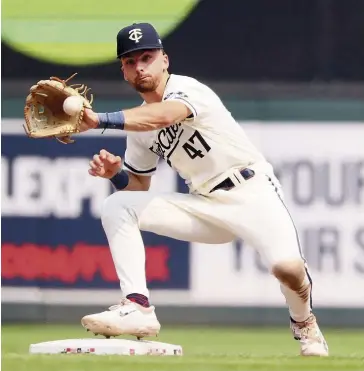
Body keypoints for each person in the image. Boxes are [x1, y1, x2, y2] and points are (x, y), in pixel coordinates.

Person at [79, 22, 328, 357]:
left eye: (146, 57)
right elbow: (139, 185)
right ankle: (138, 307)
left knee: (288, 269)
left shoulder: (186, 89)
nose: (139, 66)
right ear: (123, 71)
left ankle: (305, 323)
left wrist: (99, 120)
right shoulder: (138, 126)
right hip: (205, 204)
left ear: (164, 60)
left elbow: (165, 116)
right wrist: (116, 174)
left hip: (251, 191)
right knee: (117, 205)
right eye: (130, 61)